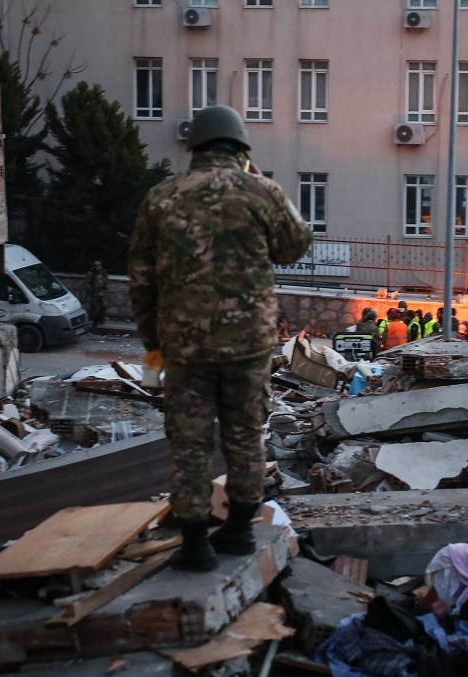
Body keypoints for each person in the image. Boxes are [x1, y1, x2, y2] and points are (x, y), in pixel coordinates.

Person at [129, 105, 312, 572]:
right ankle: (238, 530)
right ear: (242, 149)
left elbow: (141, 280)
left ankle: (194, 544)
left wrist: (155, 341)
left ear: (193, 147)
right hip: (248, 346)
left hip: (185, 348)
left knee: (188, 441)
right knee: (246, 434)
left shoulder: (161, 197)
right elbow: (295, 244)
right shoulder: (261, 192)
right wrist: (262, 181)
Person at [84, 261, 108, 325]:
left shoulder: (103, 272)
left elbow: (105, 279)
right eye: (97, 266)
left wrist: (104, 286)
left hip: (101, 292)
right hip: (94, 292)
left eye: (99, 266)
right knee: (94, 307)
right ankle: (95, 319)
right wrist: (90, 289)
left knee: (104, 305)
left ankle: (101, 318)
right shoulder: (90, 273)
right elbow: (87, 282)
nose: (98, 267)